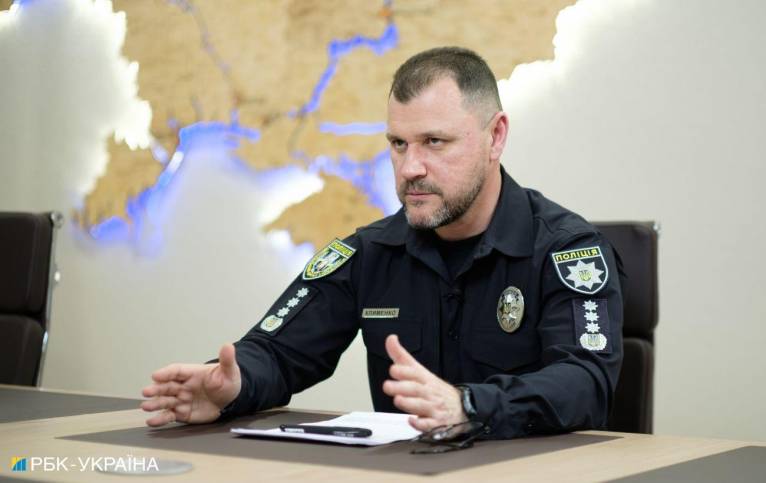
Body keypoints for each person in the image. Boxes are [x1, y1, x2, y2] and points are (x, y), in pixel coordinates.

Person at [141, 46, 624, 440]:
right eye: (398, 144)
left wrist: (470, 406)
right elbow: (278, 352)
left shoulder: (567, 251)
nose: (410, 167)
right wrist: (232, 385)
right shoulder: (369, 253)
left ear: (495, 136)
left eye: (434, 142)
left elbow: (585, 381)